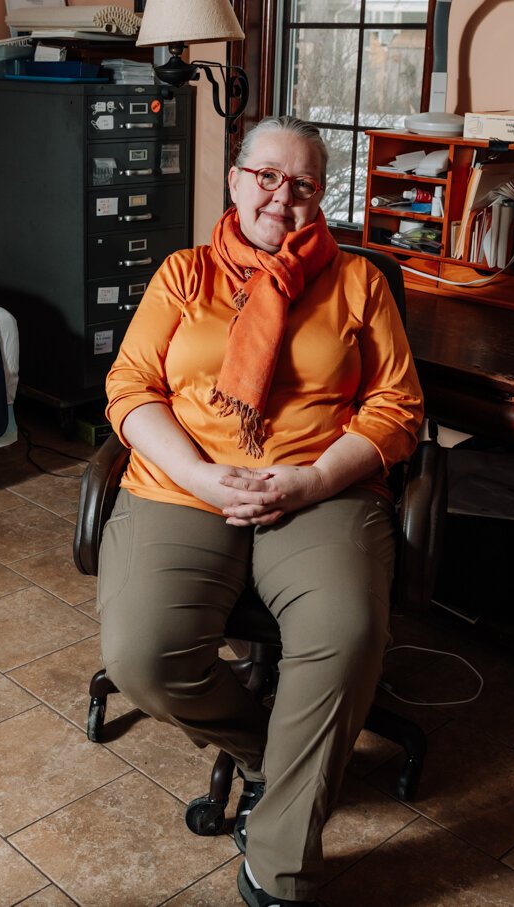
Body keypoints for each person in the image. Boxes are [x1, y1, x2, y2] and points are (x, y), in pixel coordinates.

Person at [98, 116, 424, 907]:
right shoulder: (185, 274)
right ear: (237, 181)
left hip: (323, 488)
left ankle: (280, 865)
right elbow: (131, 388)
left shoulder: (358, 283)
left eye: (304, 184)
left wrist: (311, 481)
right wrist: (203, 477)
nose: (283, 195)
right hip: (187, 483)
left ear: (319, 200)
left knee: (346, 633)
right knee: (143, 655)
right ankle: (271, 756)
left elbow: (396, 407)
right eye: (268, 177)